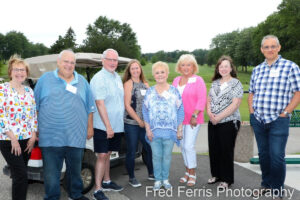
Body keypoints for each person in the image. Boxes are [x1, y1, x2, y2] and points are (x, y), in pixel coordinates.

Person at [34, 49, 95, 200]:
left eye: (72, 62)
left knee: (75, 170)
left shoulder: (82, 82)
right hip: (50, 137)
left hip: (76, 135)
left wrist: (90, 127)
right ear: (58, 62)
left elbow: (90, 107)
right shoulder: (45, 79)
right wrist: (34, 129)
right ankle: (52, 197)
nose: (69, 65)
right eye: (65, 61)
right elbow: (34, 106)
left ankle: (75, 195)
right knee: (51, 174)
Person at [248, 35, 300, 199]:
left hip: (279, 120)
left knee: (277, 156)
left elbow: (298, 93)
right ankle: (266, 184)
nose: (270, 49)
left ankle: (277, 189)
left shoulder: (290, 67)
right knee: (264, 155)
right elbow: (251, 93)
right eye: (266, 47)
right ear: (262, 50)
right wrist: (251, 112)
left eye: (273, 46)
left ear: (279, 48)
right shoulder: (257, 69)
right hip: (258, 119)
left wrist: (285, 113)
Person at [0, 55, 37, 200]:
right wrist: (13, 139)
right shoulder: (2, 89)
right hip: (9, 140)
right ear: (10, 72)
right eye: (16, 69)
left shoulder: (29, 91)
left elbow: (33, 115)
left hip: (27, 140)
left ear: (26, 73)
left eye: (22, 70)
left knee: (18, 175)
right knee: (21, 175)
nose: (19, 73)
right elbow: (1, 116)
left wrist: (33, 135)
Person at [142, 61, 184, 191]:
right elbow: (145, 111)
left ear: (167, 74)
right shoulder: (149, 92)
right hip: (154, 132)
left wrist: (179, 129)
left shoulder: (174, 91)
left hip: (170, 132)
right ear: (154, 75)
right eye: (157, 72)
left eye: (162, 72)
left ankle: (165, 180)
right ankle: (157, 180)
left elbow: (180, 110)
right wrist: (148, 129)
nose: (160, 75)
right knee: (155, 156)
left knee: (166, 157)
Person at [90, 49, 124, 200]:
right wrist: (108, 127)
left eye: (115, 60)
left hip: (117, 124)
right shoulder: (99, 78)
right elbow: (100, 103)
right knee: (102, 155)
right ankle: (97, 189)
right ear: (102, 60)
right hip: (103, 125)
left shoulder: (117, 77)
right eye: (109, 59)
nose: (112, 62)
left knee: (109, 153)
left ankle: (107, 180)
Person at [206, 56, 243, 189]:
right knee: (214, 149)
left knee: (225, 150)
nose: (223, 69)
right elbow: (209, 99)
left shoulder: (236, 83)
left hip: (229, 121)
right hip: (213, 121)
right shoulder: (215, 83)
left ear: (231, 68)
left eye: (226, 66)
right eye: (221, 66)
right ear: (218, 69)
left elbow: (235, 104)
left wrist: (219, 117)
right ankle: (216, 175)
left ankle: (227, 179)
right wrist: (210, 113)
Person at [172, 54, 206, 186]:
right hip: (179, 119)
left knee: (188, 146)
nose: (186, 67)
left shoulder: (198, 80)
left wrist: (195, 115)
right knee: (182, 147)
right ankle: (187, 172)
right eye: (183, 65)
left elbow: (202, 99)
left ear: (193, 67)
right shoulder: (176, 80)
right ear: (179, 67)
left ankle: (193, 174)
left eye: (189, 65)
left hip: (193, 119)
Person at [123, 59, 154, 187]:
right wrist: (138, 120)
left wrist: (147, 121)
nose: (135, 70)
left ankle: (152, 173)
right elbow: (127, 106)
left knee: (148, 148)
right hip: (132, 123)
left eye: (137, 68)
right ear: (129, 71)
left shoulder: (145, 84)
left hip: (145, 124)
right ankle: (131, 178)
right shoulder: (128, 84)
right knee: (131, 150)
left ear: (140, 69)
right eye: (133, 68)